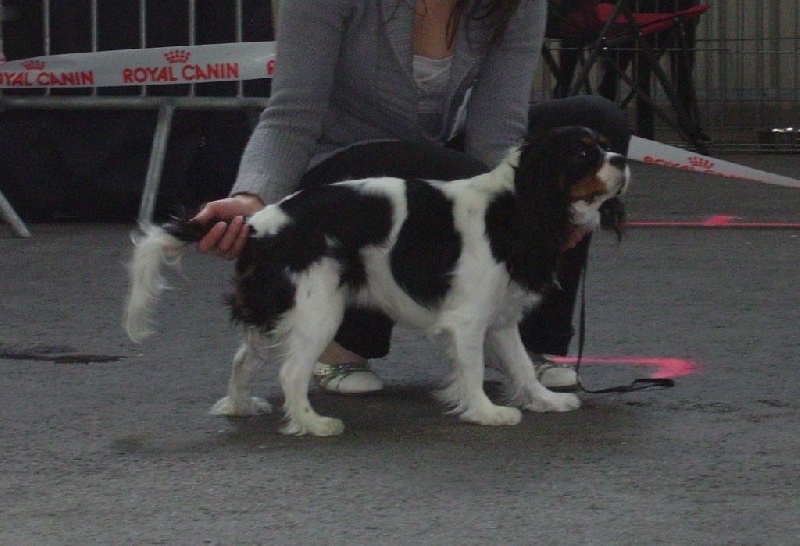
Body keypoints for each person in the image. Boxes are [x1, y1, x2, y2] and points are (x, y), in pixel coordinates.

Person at [192, 0, 631, 395]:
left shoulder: (516, 5)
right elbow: (291, 116)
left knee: (593, 119)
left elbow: (496, 136)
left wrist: (546, 210)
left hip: (437, 159)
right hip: (344, 163)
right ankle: (342, 345)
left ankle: (523, 338)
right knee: (420, 169)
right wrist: (253, 197)